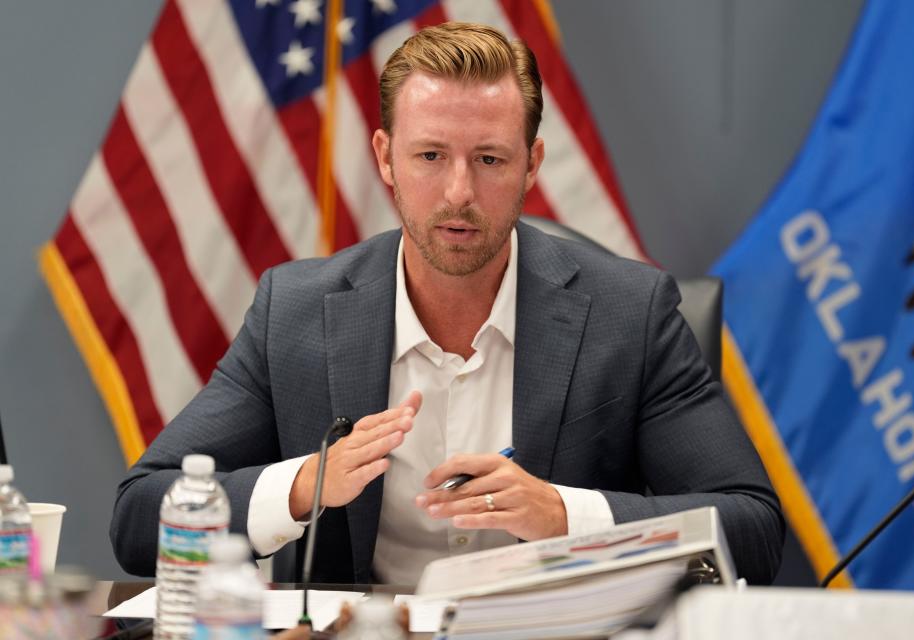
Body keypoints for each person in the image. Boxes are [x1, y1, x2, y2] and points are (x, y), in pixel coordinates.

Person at [110, 22, 783, 586]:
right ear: (385, 158)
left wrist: (561, 514)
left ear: (532, 163)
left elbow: (751, 527)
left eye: (489, 160)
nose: (459, 191)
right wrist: (304, 485)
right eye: (430, 154)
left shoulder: (628, 314)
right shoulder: (297, 311)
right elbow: (140, 519)